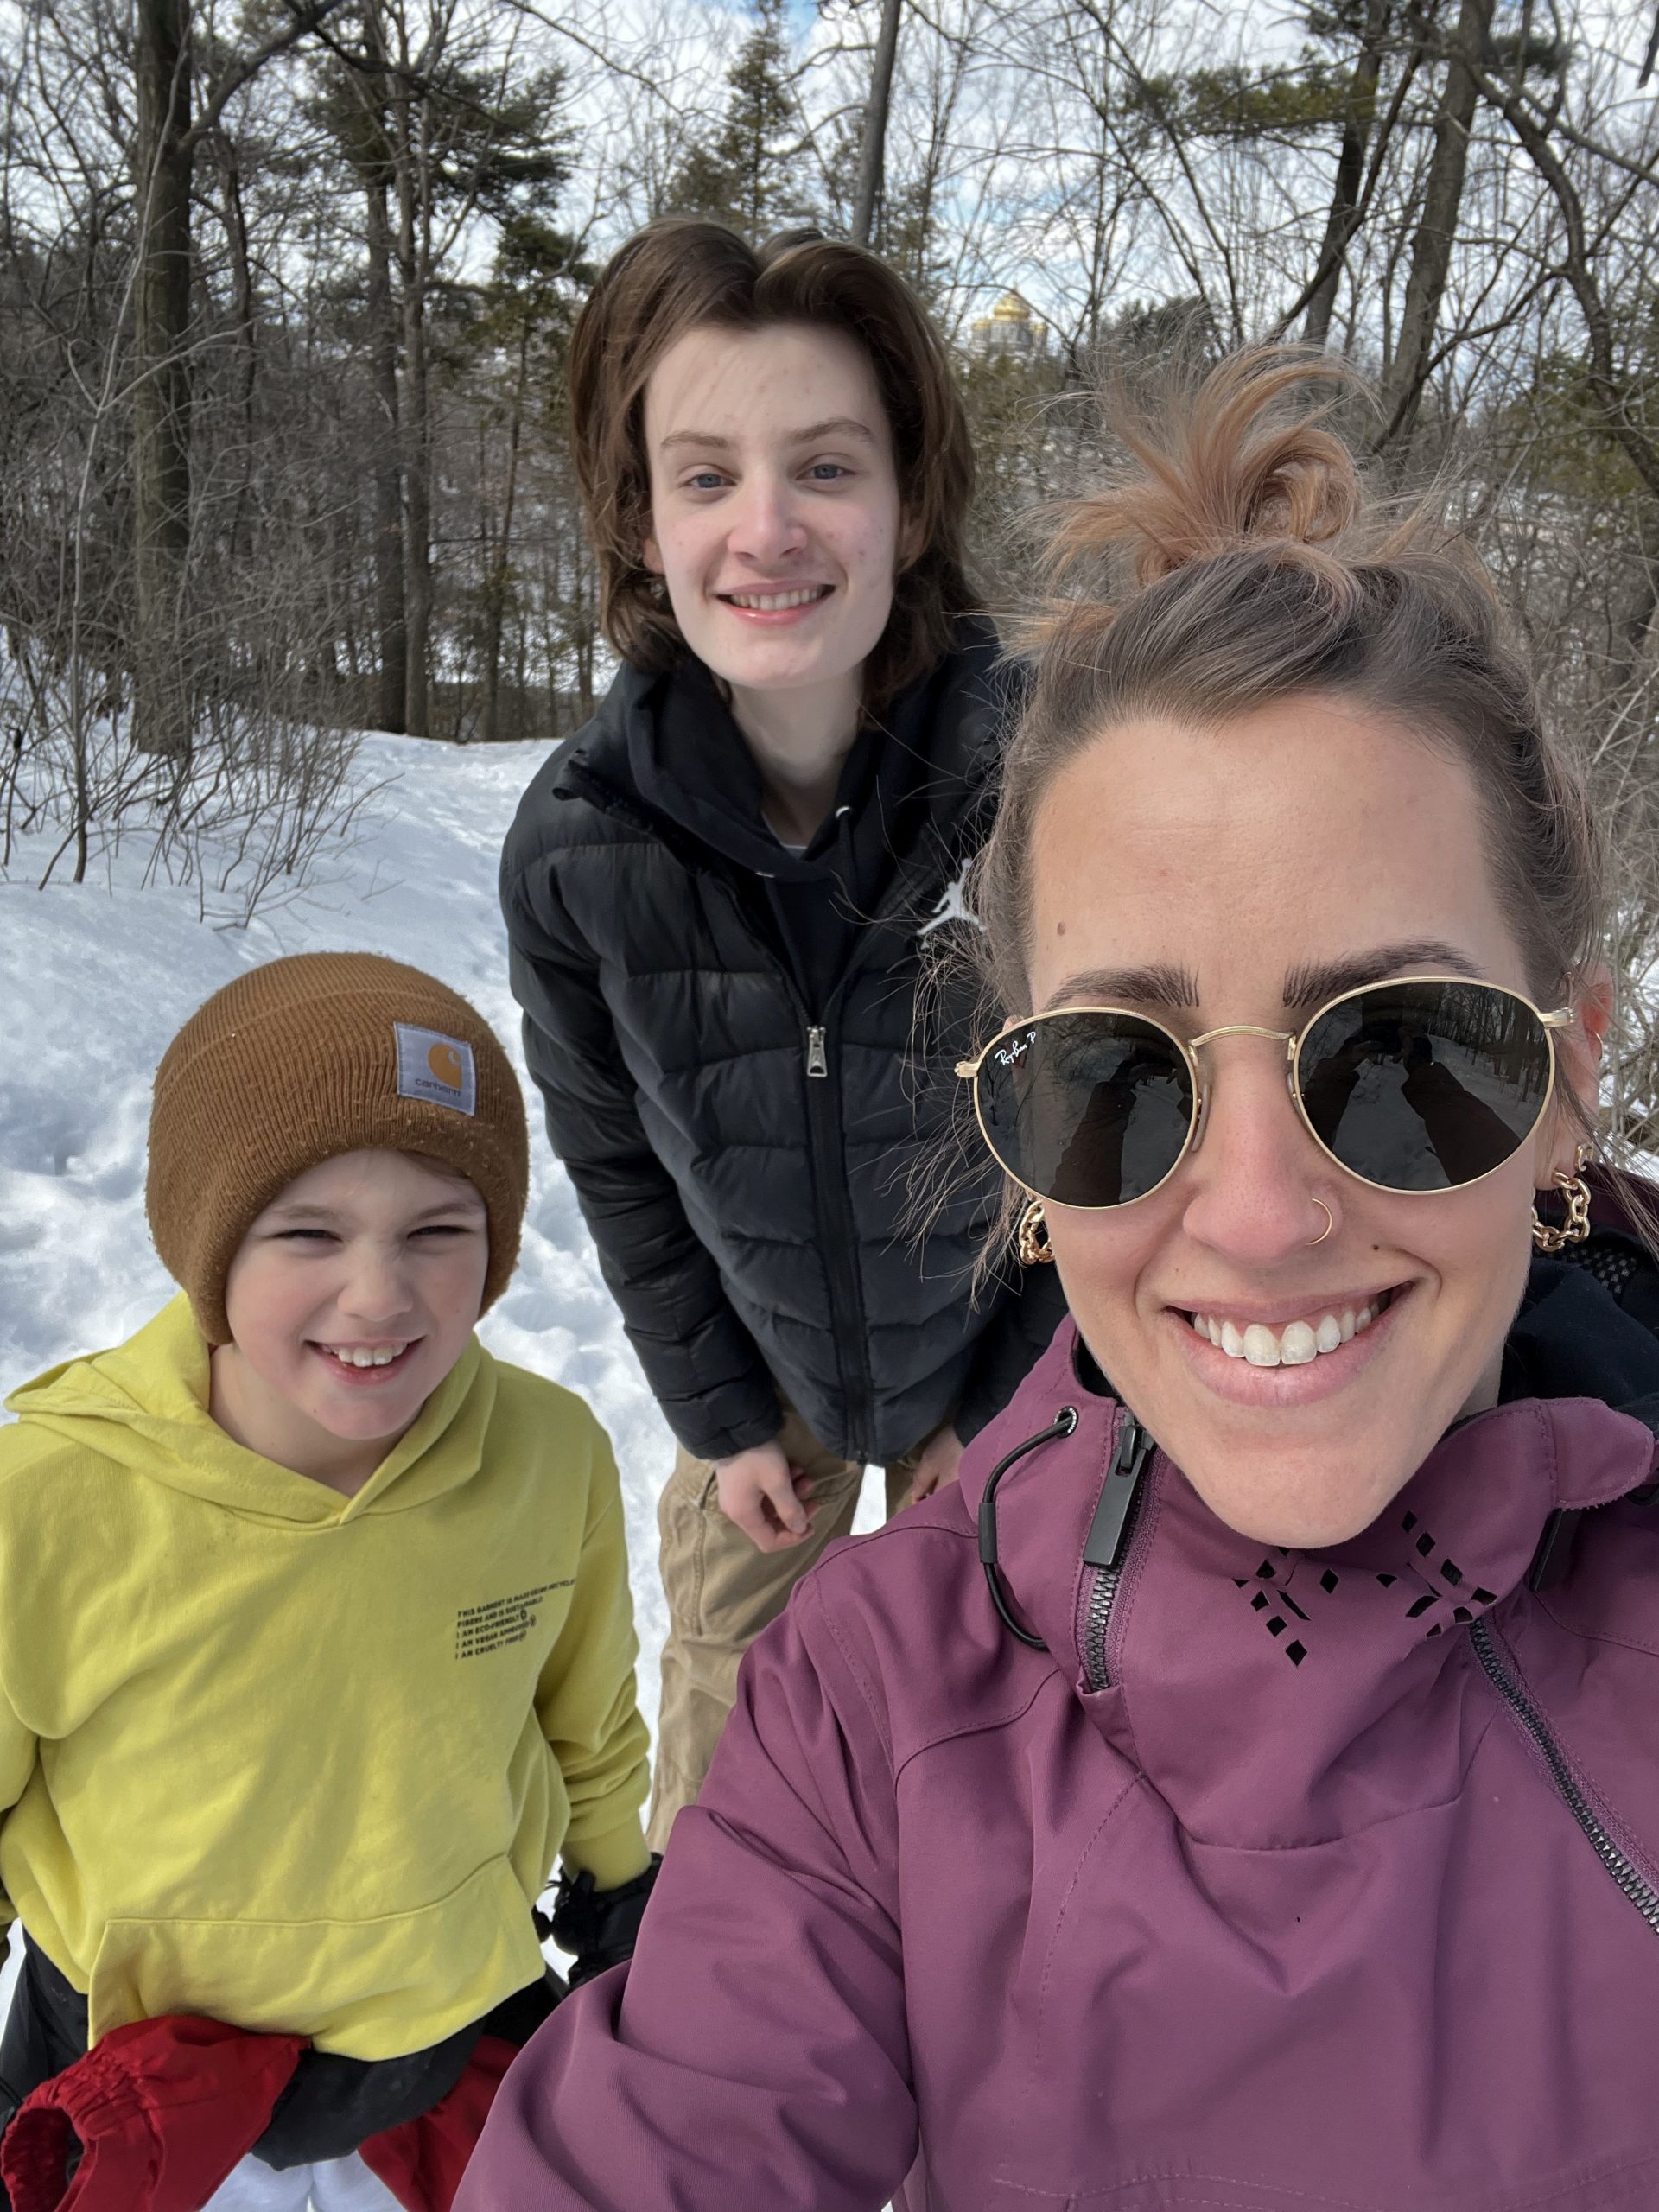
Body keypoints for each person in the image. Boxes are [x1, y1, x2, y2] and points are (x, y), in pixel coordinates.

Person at [458, 351, 1659, 2210]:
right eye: (1114, 1078)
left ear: (1569, 1074)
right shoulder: (870, 1709)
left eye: (1404, 1053)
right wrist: (728, 1410)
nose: (1255, 1211)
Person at [499, 218, 1065, 1844]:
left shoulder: (1048, 786)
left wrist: (1005, 1400)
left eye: (825, 466)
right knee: (733, 1782)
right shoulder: (579, 850)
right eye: (705, 476)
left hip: (1000, 1373)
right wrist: (719, 1417)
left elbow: (1122, 1121)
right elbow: (616, 1165)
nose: (766, 529)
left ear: (910, 501)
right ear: (641, 517)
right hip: (760, 1397)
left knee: (1010, 1760)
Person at [0, 953, 653, 2212]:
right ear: (206, 1246)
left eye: (437, 1232)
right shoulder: (49, 1501)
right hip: (136, 2071)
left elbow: (583, 1712)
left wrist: (618, 1882)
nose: (379, 1295)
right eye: (308, 1232)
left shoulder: (548, 1454)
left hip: (437, 2029)